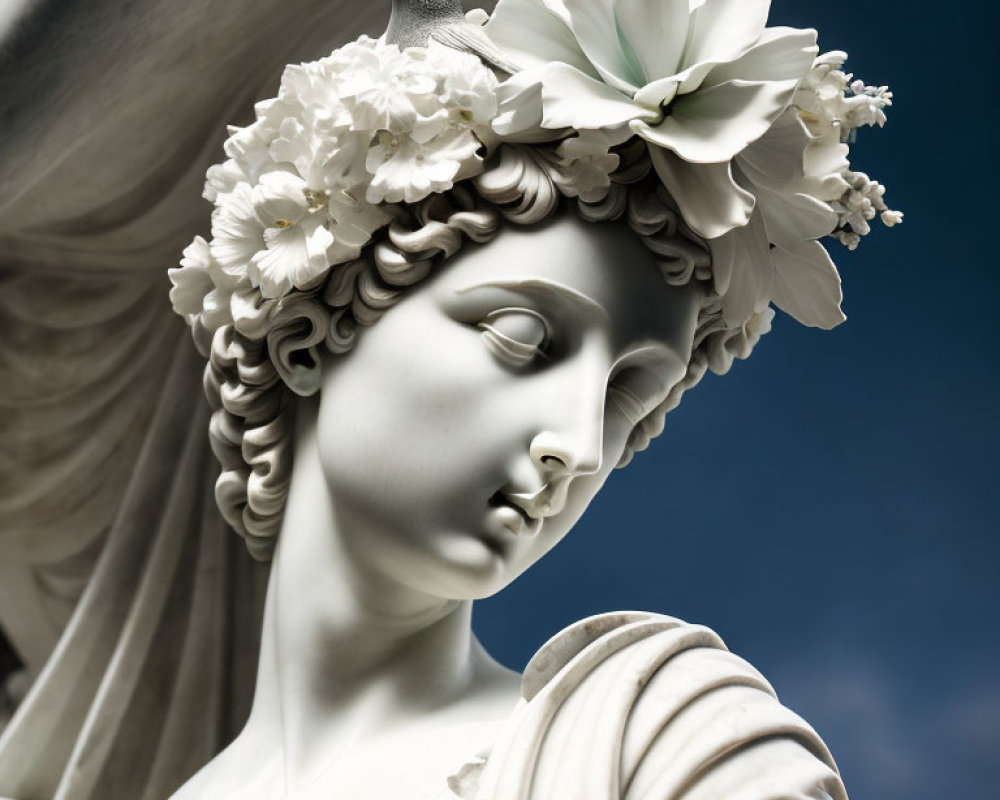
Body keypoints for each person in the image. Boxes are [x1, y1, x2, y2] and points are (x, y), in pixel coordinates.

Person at [160, 1, 900, 797]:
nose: (579, 445)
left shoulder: (666, 741)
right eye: (522, 338)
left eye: (627, 394)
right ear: (309, 329)